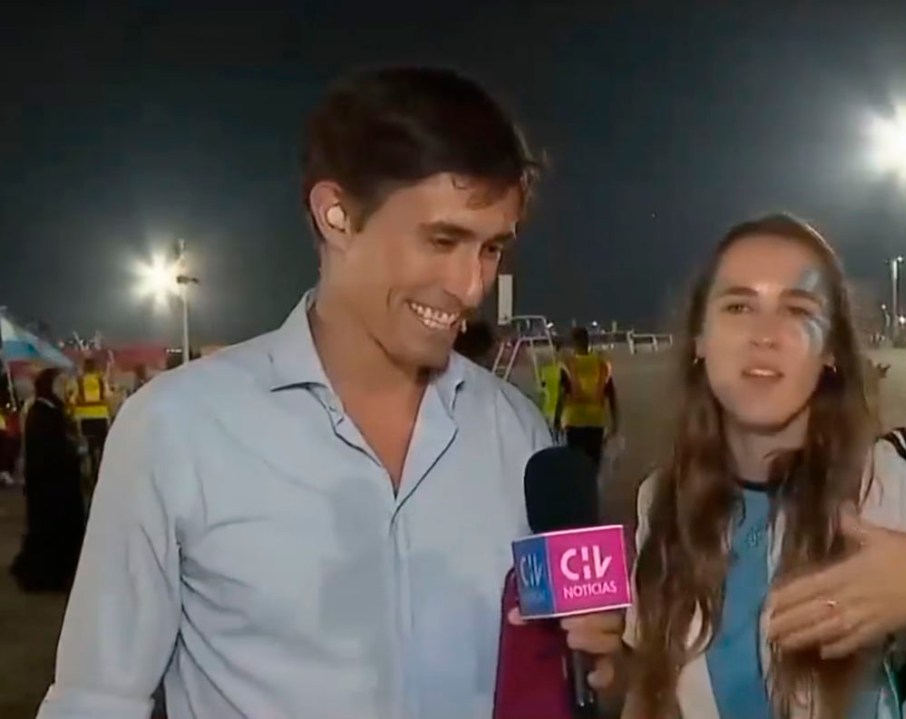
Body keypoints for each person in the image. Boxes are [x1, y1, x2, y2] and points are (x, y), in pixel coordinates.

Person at [37, 66, 621, 719]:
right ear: (336, 216)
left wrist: (593, 651)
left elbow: (562, 661)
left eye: (491, 249)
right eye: (442, 239)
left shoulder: (517, 432)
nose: (470, 286)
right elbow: (97, 698)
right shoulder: (175, 429)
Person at [621, 214, 906, 719]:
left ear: (832, 352)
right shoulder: (660, 497)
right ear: (699, 340)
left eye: (797, 310)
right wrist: (610, 665)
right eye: (739, 306)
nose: (764, 335)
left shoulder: (895, 480)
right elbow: (651, 691)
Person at [10, 368, 86, 592]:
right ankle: (46, 576)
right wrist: (73, 452)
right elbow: (48, 451)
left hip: (59, 485)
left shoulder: (53, 410)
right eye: (60, 384)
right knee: (50, 532)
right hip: (50, 488)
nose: (65, 389)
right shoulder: (41, 413)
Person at [555, 326, 620, 468]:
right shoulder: (601, 365)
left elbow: (562, 394)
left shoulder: (568, 365)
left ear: (573, 343)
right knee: (593, 465)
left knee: (574, 465)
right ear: (587, 341)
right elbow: (611, 395)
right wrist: (615, 422)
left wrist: (556, 420)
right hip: (595, 422)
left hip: (574, 421)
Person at [70, 357, 111, 481]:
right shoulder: (101, 379)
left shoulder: (79, 381)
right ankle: (101, 470)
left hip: (85, 418)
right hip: (100, 416)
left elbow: (73, 399)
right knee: (102, 445)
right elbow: (108, 396)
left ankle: (91, 470)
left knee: (89, 446)